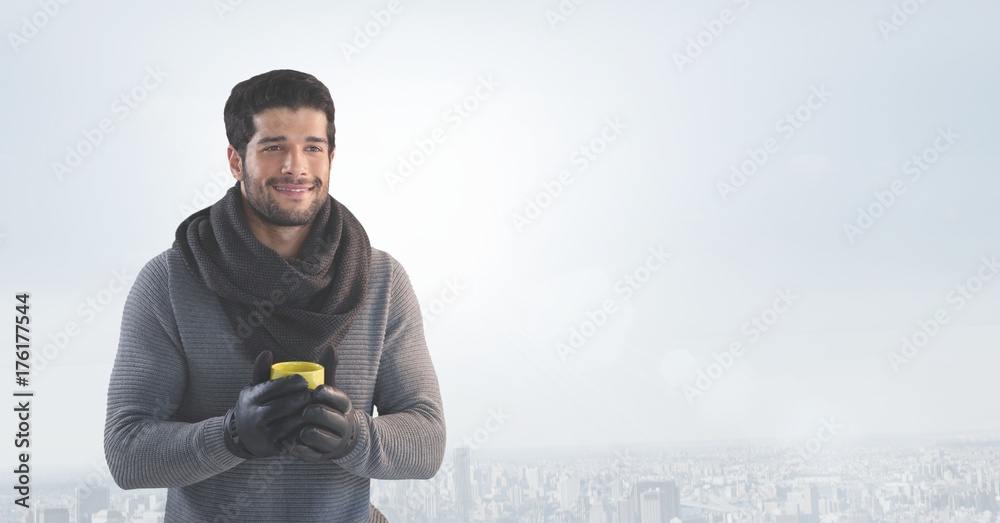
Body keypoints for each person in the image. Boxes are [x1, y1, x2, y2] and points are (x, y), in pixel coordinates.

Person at [103, 69, 446, 522]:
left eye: (312, 147)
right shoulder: (168, 282)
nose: (295, 167)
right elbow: (127, 451)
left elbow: (428, 439)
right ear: (234, 159)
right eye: (274, 147)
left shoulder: (381, 280)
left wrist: (354, 438)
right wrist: (230, 437)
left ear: (331, 158)